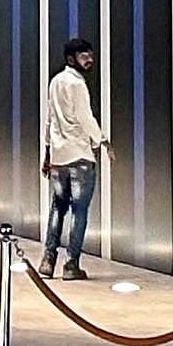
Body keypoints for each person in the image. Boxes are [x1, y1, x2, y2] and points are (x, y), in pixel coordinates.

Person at [42, 36, 107, 280]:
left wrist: (48, 152)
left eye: (90, 54)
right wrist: (102, 140)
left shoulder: (55, 82)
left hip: (58, 157)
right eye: (84, 56)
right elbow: (85, 116)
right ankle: (71, 264)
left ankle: (48, 260)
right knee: (79, 211)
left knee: (57, 209)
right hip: (79, 155)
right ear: (71, 59)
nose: (90, 59)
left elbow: (50, 119)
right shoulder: (77, 84)